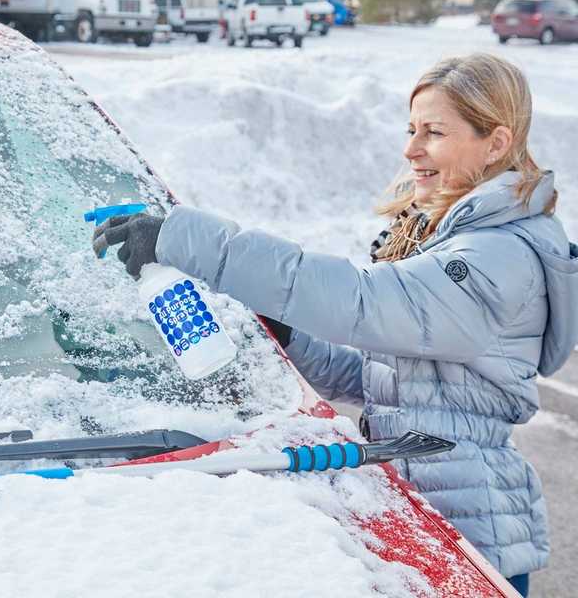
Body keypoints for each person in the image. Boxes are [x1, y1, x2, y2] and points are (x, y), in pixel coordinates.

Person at [92, 53, 578, 596]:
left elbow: (358, 303)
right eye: (411, 128)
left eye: (434, 132)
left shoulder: (497, 257)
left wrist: (190, 241)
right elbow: (379, 380)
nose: (411, 149)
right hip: (423, 515)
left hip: (470, 539)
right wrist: (291, 337)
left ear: (495, 143)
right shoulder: (456, 240)